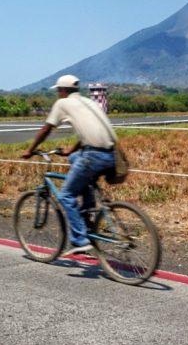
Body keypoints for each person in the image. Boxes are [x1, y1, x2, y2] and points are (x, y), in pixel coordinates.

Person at [21, 74, 117, 256]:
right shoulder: (90, 103)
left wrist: (30, 149)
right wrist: (70, 151)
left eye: (58, 91)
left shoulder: (62, 103)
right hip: (112, 154)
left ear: (63, 90)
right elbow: (88, 135)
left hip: (93, 156)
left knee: (65, 195)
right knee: (74, 160)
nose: (58, 94)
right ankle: (87, 212)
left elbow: (46, 129)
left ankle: (80, 239)